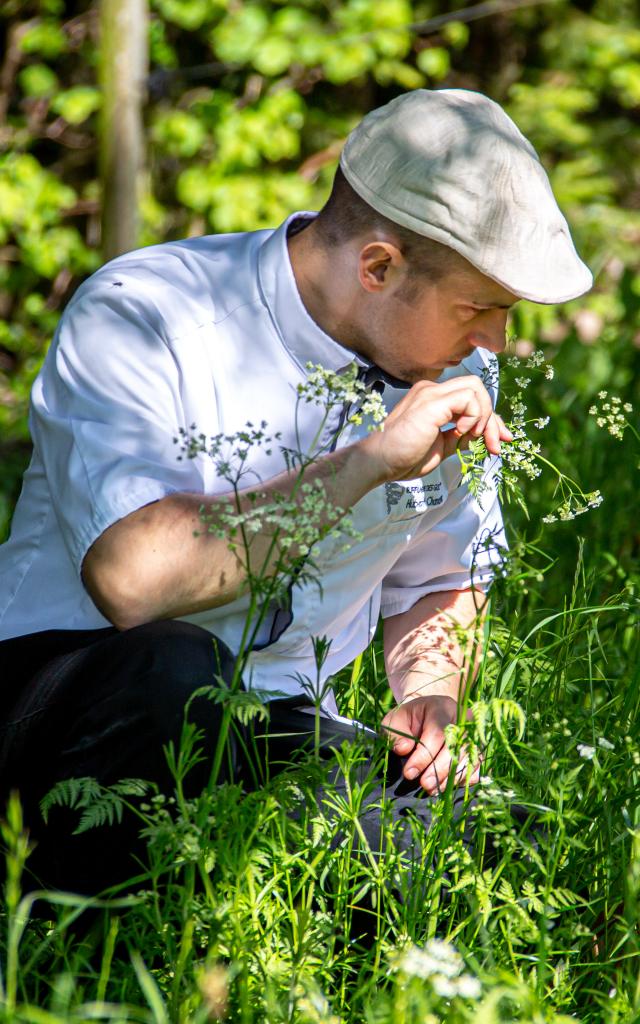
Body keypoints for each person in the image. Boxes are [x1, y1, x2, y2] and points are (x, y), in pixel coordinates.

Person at [0, 88, 591, 895]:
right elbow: (131, 583)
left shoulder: (452, 368)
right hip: (69, 700)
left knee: (498, 854)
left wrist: (429, 697)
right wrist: (366, 463)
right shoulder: (147, 312)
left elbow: (443, 576)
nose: (494, 343)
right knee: (178, 674)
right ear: (378, 266)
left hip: (274, 729)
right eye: (478, 309)